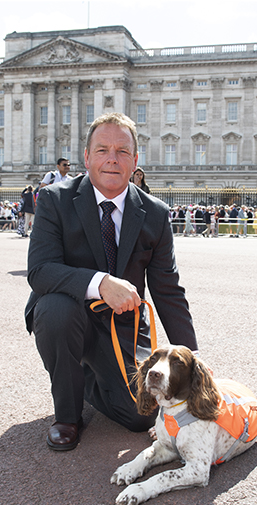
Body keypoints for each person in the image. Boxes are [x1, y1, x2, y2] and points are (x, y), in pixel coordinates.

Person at [25, 112, 196, 451]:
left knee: (140, 416)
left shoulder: (156, 213)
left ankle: (88, 378)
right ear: (86, 157)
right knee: (56, 309)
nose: (112, 160)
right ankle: (68, 415)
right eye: (102, 150)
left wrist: (193, 361)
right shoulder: (54, 200)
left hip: (125, 326)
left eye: (122, 151)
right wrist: (100, 282)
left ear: (135, 160)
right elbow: (40, 271)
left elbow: (167, 290)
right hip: (68, 314)